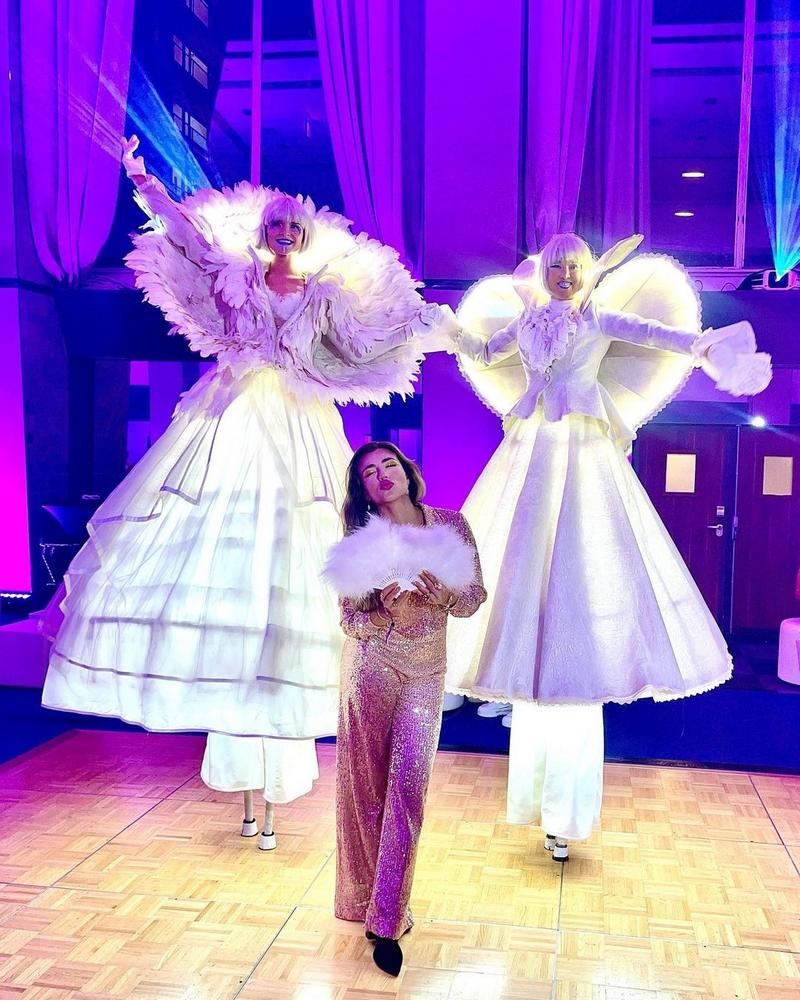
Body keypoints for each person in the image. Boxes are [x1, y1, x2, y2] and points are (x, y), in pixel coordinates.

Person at [41, 136, 454, 845]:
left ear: (306, 234)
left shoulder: (323, 294)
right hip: (234, 413)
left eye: (294, 225)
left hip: (298, 419)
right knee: (227, 554)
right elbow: (188, 241)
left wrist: (429, 326)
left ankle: (276, 779)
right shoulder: (235, 276)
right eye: (276, 224)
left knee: (298, 554)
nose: (285, 232)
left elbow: (361, 343)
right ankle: (243, 785)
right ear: (263, 232)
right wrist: (145, 182)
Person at [446, 232, 772, 860]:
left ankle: (567, 810)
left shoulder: (597, 318)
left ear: (586, 272)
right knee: (521, 558)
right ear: (544, 271)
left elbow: (654, 335)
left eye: (574, 266)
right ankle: (537, 799)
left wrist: (703, 346)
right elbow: (486, 352)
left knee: (584, 548)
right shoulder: (527, 322)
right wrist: (445, 332)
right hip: (532, 447)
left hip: (585, 450)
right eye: (556, 266)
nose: (565, 274)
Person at [325, 441, 486, 976]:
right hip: (370, 668)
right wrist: (384, 613)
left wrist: (443, 596)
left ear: (407, 471)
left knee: (409, 789)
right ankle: (364, 898)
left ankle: (386, 919)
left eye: (388, 464)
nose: (382, 475)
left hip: (425, 674)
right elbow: (350, 621)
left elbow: (473, 598)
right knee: (366, 790)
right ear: (363, 489)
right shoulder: (361, 541)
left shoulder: (450, 525)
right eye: (369, 472)